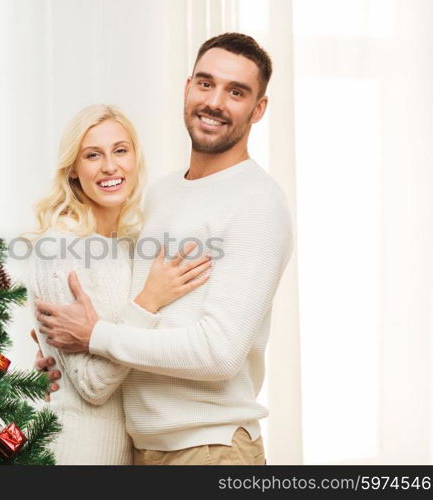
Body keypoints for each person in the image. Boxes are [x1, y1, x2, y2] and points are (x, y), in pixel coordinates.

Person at [34, 33, 294, 465]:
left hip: (210, 448)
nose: (214, 101)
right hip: (139, 448)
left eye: (236, 92)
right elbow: (130, 307)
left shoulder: (258, 203)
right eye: (206, 84)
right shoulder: (159, 194)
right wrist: (59, 355)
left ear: (258, 109)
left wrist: (96, 336)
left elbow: (219, 354)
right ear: (187, 87)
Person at [25, 104, 212, 465]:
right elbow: (93, 385)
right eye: (93, 155)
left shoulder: (128, 245)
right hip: (77, 451)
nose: (110, 166)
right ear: (74, 171)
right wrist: (148, 301)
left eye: (120, 151)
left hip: (129, 452)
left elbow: (129, 346)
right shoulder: (58, 247)